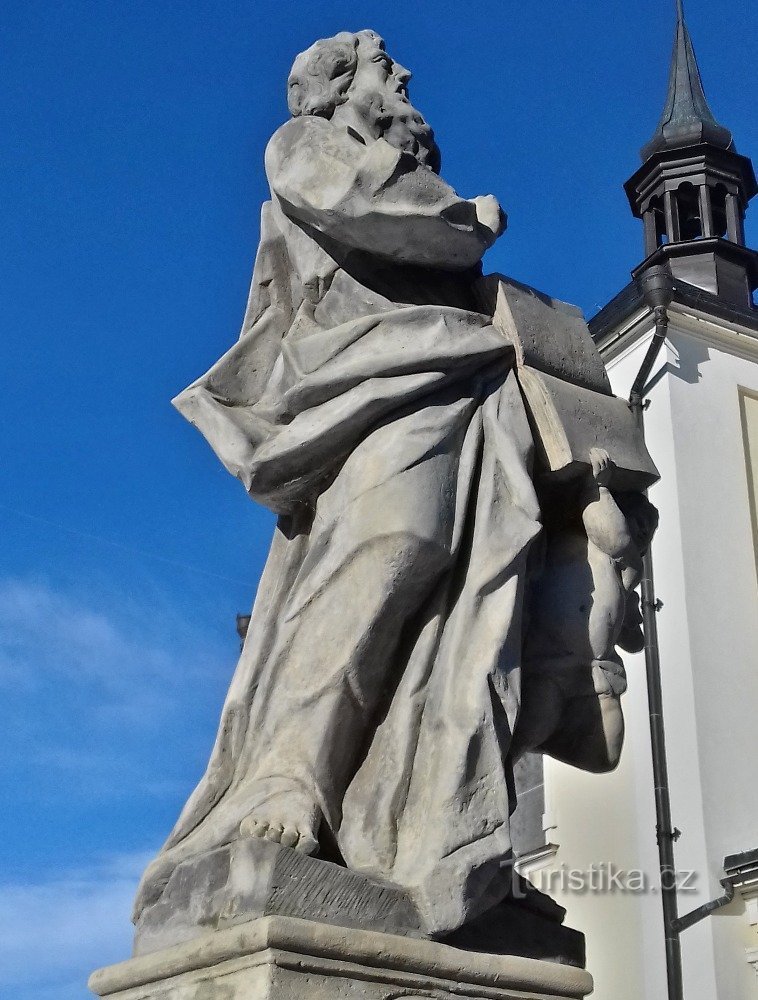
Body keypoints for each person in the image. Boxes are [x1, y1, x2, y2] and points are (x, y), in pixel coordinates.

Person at [133, 30, 644, 939]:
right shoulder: (310, 146)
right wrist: (468, 217)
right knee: (385, 551)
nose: (403, 75)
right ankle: (288, 773)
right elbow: (369, 206)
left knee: (478, 619)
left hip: (466, 393)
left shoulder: (402, 173)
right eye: (382, 65)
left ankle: (450, 837)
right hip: (376, 391)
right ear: (335, 90)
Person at [515, 449, 659, 772]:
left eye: (648, 533)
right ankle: (519, 751)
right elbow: (616, 535)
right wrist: (602, 487)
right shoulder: (593, 529)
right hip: (555, 661)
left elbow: (634, 640)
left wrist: (629, 623)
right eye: (640, 522)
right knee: (536, 719)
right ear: (624, 511)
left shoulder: (629, 566)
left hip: (595, 670)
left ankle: (543, 741)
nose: (642, 533)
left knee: (607, 753)